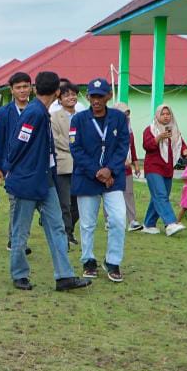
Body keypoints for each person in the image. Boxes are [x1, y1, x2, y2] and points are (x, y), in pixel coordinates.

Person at [0, 71, 90, 292]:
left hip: (45, 181)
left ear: (36, 89)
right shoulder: (35, 113)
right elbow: (18, 143)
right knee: (20, 231)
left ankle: (64, 276)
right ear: (57, 92)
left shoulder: (41, 112)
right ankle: (19, 274)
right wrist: (10, 169)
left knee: (57, 227)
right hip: (27, 182)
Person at [70, 79, 130, 282]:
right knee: (87, 224)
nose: (96, 100)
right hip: (88, 177)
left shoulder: (119, 118)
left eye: (100, 96)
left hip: (113, 178)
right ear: (87, 97)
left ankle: (113, 261)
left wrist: (110, 170)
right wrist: (97, 171)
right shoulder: (77, 119)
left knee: (118, 219)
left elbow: (123, 145)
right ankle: (88, 260)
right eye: (92, 96)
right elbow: (76, 149)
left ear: (108, 97)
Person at [0, 71, 34, 256]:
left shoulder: (36, 110)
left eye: (25, 86)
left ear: (31, 88)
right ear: (12, 90)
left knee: (29, 205)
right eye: (18, 87)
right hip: (12, 167)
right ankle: (14, 239)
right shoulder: (4, 112)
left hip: (33, 166)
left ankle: (19, 238)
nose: (22, 91)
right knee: (16, 203)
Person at [140, 104, 187, 236]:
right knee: (161, 195)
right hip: (153, 168)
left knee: (159, 196)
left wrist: (186, 151)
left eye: (168, 114)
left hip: (168, 168)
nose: (166, 116)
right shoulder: (150, 129)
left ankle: (149, 224)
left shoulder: (175, 131)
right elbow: (147, 146)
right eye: (163, 114)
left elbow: (181, 145)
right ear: (157, 115)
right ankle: (170, 223)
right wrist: (159, 137)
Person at [50, 81, 80, 246]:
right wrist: (77, 147)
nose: (71, 97)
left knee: (78, 203)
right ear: (59, 99)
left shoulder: (83, 116)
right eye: (66, 95)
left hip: (82, 166)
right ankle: (66, 233)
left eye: (73, 94)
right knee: (65, 202)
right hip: (63, 164)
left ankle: (69, 229)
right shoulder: (54, 117)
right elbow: (56, 139)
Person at [113, 103, 143, 231]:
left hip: (127, 168)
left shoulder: (129, 130)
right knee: (112, 193)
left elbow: (133, 148)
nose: (126, 117)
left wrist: (136, 165)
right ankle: (110, 221)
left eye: (127, 114)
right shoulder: (111, 129)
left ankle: (132, 221)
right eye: (123, 114)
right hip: (113, 168)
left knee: (129, 193)